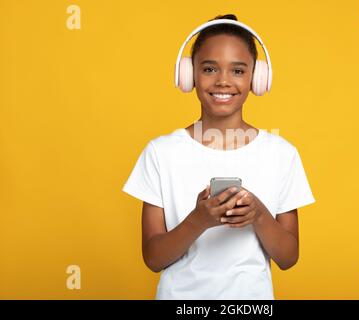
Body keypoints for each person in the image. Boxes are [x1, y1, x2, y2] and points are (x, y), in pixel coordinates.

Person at [122, 14, 316, 300]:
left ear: (257, 78)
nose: (223, 81)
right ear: (189, 75)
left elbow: (288, 258)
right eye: (210, 68)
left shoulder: (281, 154)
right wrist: (198, 220)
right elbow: (153, 258)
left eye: (238, 71)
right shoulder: (161, 153)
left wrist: (259, 215)